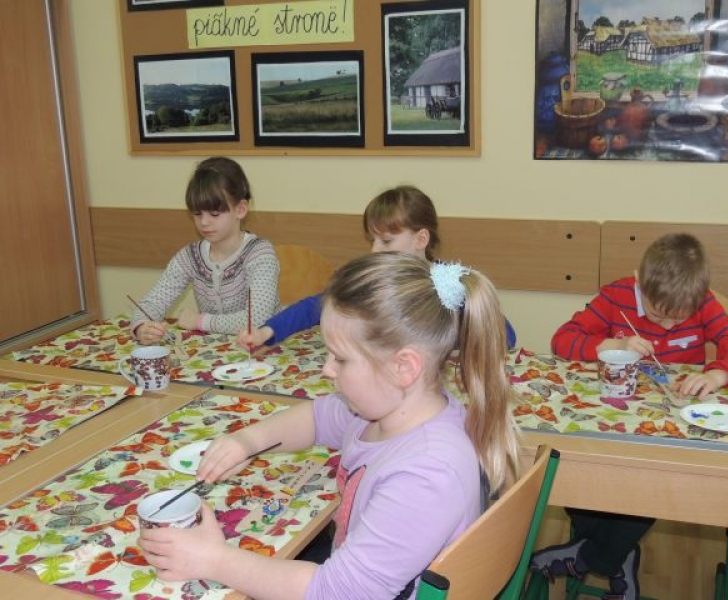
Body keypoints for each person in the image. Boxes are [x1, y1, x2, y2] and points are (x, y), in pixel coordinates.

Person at [139, 252, 520, 600]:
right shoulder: (385, 412)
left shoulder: (426, 472)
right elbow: (316, 418)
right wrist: (248, 441)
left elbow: (336, 592)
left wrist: (214, 560)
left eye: (340, 359)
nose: (327, 370)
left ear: (403, 368)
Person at [535, 233, 728, 600]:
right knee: (576, 465)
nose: (667, 327)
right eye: (657, 315)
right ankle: (618, 553)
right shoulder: (616, 296)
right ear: (640, 282)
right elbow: (562, 340)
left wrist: (718, 375)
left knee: (651, 481)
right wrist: (612, 345)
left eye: (678, 320)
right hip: (610, 421)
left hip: (669, 432)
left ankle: (593, 555)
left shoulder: (703, 303)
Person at [239, 185, 517, 349]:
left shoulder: (452, 284)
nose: (374, 250)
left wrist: (459, 336)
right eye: (372, 240)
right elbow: (318, 306)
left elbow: (506, 336)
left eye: (386, 241)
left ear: (421, 239)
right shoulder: (373, 278)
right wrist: (267, 332)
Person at [131, 157, 279, 344]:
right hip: (212, 353)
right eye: (197, 213)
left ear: (240, 209)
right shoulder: (190, 257)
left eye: (215, 214)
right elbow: (150, 304)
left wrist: (199, 321)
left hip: (262, 351)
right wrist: (142, 327)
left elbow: (256, 321)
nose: (204, 222)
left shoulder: (260, 254)